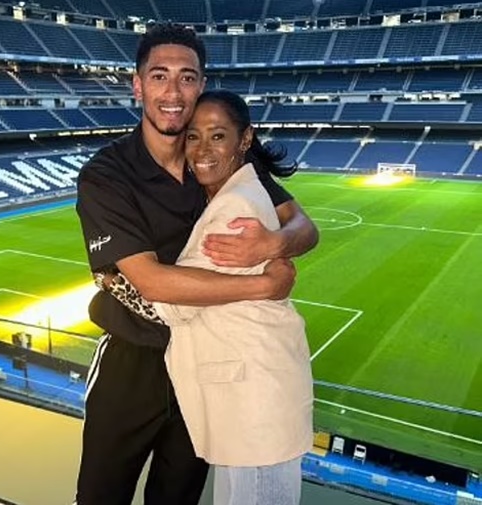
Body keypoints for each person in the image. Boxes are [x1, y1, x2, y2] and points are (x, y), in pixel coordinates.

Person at [75, 24, 318, 505]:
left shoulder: (214, 159)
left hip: (206, 362)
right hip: (132, 363)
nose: (173, 91)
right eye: (159, 76)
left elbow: (305, 226)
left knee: (178, 497)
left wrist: (273, 243)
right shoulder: (107, 174)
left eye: (187, 77)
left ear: (201, 85)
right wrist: (263, 286)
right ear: (138, 85)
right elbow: (149, 281)